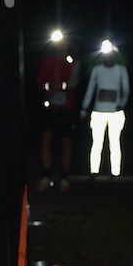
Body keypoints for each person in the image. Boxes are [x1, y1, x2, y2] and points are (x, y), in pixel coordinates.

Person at [35, 36, 81, 192]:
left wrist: (59, 85)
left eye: (63, 42)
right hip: (50, 106)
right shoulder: (47, 60)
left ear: (68, 43)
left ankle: (65, 179)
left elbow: (74, 82)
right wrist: (51, 87)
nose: (60, 45)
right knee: (45, 140)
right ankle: (46, 177)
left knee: (66, 143)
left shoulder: (73, 61)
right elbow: (39, 82)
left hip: (66, 108)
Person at [81, 47, 130, 178]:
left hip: (115, 112)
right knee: (96, 143)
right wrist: (84, 108)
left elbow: (126, 89)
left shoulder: (121, 69)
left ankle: (115, 173)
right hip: (98, 111)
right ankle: (94, 172)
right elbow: (90, 89)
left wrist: (122, 103)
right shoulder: (97, 70)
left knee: (114, 142)